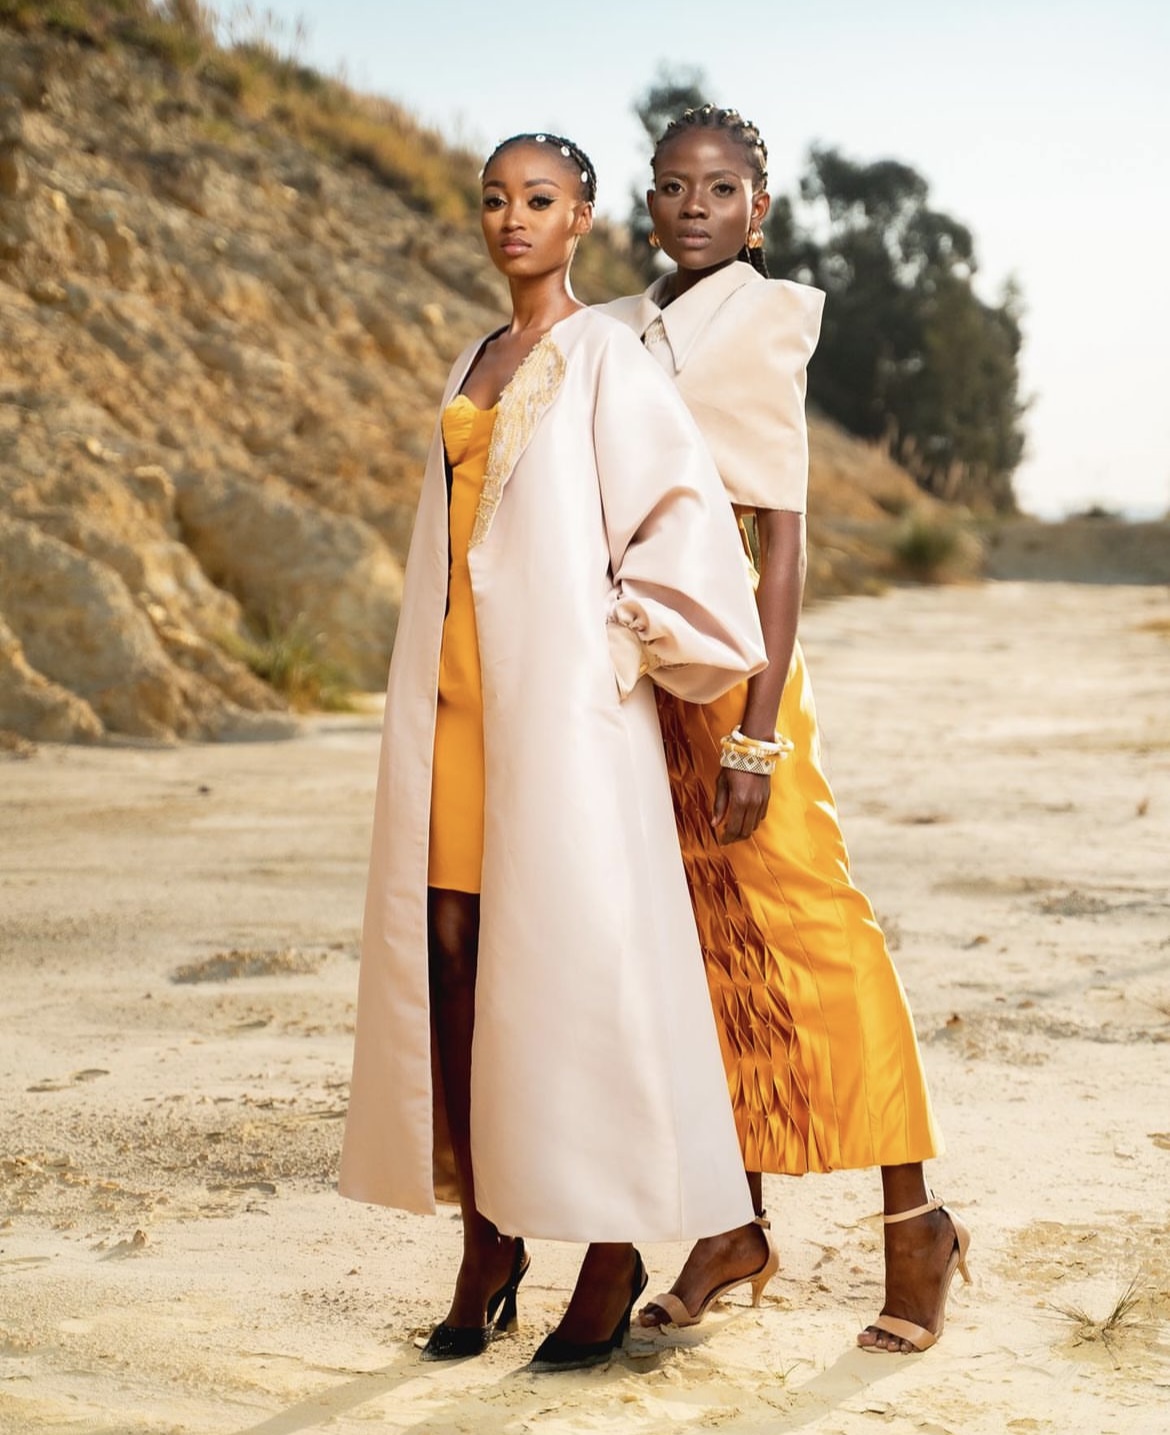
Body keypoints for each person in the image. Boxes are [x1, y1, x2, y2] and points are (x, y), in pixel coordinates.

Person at [338, 130, 770, 1372]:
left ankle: (610, 1247)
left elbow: (681, 518)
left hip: (560, 716)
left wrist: (617, 636)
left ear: (582, 218)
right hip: (451, 705)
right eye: (494, 200)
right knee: (452, 959)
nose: (512, 219)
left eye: (539, 199)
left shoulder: (607, 358)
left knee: (578, 965)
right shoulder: (475, 356)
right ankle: (489, 1240)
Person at [600, 105, 970, 1356]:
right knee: (699, 948)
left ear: (761, 208)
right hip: (639, 679)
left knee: (818, 933)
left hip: (738, 684)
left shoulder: (760, 320)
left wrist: (756, 736)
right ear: (649, 201)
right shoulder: (624, 326)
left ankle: (917, 1225)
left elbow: (784, 541)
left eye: (721, 189)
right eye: (672, 185)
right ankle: (732, 1224)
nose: (694, 206)